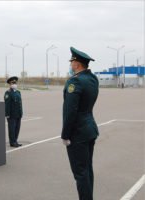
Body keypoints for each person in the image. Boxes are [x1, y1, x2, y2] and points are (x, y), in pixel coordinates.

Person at [61, 47, 99, 200]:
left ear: (77, 64)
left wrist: (65, 135)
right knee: (87, 170)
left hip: (78, 133)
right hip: (90, 129)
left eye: (72, 62)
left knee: (80, 173)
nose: (71, 65)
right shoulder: (92, 79)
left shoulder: (75, 81)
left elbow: (71, 111)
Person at [4, 76, 23, 147]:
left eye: (15, 82)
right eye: (13, 83)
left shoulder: (18, 92)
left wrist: (21, 113)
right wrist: (7, 114)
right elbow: (7, 104)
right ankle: (12, 142)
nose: (14, 84)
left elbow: (20, 103)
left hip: (18, 114)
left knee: (17, 128)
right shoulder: (8, 93)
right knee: (12, 129)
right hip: (11, 115)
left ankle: (15, 141)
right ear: (10, 84)